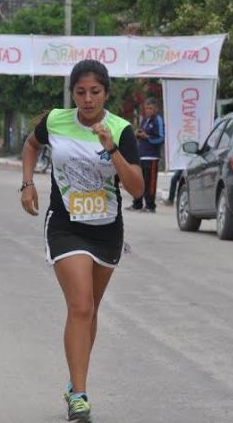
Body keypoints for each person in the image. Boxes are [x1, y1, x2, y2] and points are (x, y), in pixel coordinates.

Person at [19, 59, 143, 423]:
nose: (87, 100)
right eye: (80, 92)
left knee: (91, 311)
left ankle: (74, 385)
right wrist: (27, 183)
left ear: (106, 93)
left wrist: (112, 149)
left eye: (95, 92)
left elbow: (137, 189)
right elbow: (30, 144)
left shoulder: (120, 129)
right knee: (82, 307)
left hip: (106, 228)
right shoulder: (55, 120)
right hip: (66, 225)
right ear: (72, 93)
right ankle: (81, 396)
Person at [126, 97, 164, 213]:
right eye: (146, 108)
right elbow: (142, 133)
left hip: (152, 156)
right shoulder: (144, 120)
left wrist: (148, 137)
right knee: (139, 181)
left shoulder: (157, 120)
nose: (148, 110)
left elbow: (161, 137)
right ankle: (137, 203)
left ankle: (150, 205)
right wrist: (138, 134)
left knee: (150, 182)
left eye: (150, 108)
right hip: (141, 155)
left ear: (155, 109)